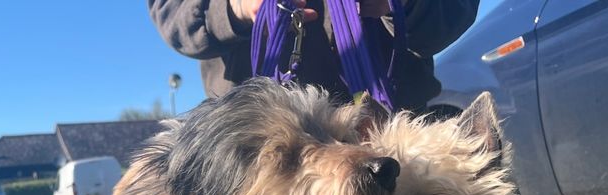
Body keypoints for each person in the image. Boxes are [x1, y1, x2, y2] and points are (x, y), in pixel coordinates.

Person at [148, 0, 479, 112]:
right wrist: (233, 8)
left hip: (389, 122)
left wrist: (404, 5)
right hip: (261, 144)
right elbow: (172, 13)